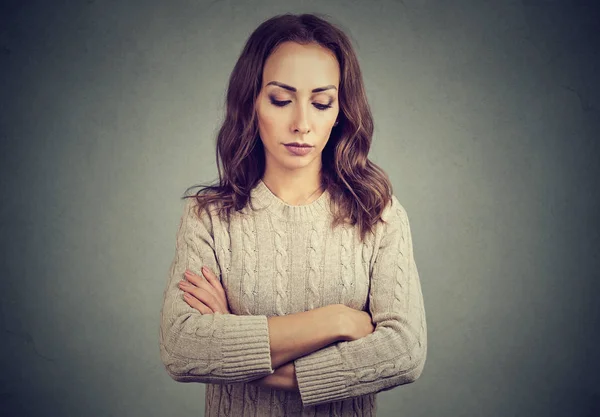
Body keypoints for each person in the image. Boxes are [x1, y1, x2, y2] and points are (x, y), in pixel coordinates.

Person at [159, 12, 427, 416]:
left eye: (321, 103)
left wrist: (236, 343)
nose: (302, 123)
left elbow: (404, 352)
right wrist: (336, 320)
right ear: (251, 102)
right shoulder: (208, 217)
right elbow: (181, 347)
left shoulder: (379, 213)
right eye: (281, 100)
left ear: (340, 111)